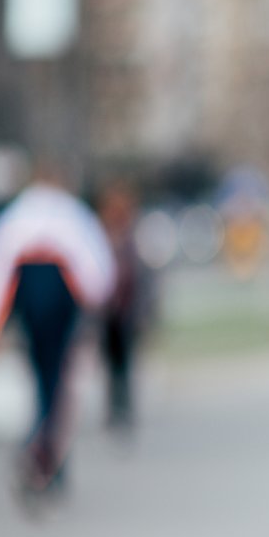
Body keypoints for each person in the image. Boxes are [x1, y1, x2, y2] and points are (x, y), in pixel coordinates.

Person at [0, 166, 115, 506]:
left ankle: (42, 445)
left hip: (31, 304)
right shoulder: (71, 213)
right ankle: (45, 450)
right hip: (60, 303)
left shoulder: (17, 215)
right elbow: (95, 268)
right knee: (56, 379)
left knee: (41, 376)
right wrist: (94, 306)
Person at [96, 180, 157, 433]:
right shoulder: (103, 239)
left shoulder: (135, 239)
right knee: (111, 364)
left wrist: (146, 311)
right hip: (108, 313)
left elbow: (146, 278)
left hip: (127, 310)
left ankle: (125, 408)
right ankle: (114, 409)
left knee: (126, 363)